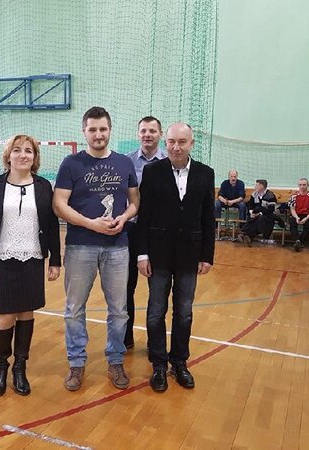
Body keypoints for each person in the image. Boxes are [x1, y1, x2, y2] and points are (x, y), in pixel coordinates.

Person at [53, 107, 139, 391]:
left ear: (110, 130)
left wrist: (123, 218)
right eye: (92, 129)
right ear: (84, 131)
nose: (98, 134)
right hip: (80, 246)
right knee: (74, 309)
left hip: (117, 247)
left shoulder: (124, 163)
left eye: (103, 129)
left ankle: (115, 360)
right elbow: (59, 205)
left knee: (120, 311)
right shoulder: (71, 164)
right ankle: (76, 363)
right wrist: (92, 224)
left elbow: (135, 202)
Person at [0, 134, 61, 396]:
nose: (23, 155)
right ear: (8, 155)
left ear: (35, 157)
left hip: (33, 258)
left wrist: (55, 260)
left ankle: (20, 368)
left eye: (28, 151)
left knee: (26, 313)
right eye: (17, 150)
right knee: (5, 315)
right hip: (2, 259)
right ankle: (1, 365)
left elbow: (51, 225)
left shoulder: (44, 186)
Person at [137, 122, 215, 392]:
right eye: (171, 141)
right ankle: (158, 364)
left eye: (182, 142)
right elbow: (144, 215)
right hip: (158, 254)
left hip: (189, 256)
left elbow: (208, 218)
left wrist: (207, 255)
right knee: (155, 311)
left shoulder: (205, 173)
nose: (176, 147)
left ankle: (179, 362)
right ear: (165, 142)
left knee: (184, 313)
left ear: (191, 143)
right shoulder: (152, 171)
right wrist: (142, 254)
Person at [125, 116, 166, 350]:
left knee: (157, 291)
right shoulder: (126, 162)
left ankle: (155, 344)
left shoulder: (169, 162)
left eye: (152, 131)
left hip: (157, 233)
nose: (147, 135)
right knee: (126, 288)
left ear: (160, 134)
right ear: (138, 134)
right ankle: (125, 338)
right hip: (130, 231)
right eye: (143, 131)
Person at [238, 179, 277, 246]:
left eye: (256, 185)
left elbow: (271, 210)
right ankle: (247, 235)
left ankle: (246, 234)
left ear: (261, 186)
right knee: (251, 217)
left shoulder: (270, 195)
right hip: (255, 213)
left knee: (259, 219)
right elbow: (250, 204)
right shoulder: (254, 194)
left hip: (267, 215)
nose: (255, 187)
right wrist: (251, 212)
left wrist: (259, 214)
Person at [288, 178, 309, 252]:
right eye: (300, 185)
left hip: (307, 215)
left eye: (304, 185)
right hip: (296, 214)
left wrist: (306, 218)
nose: (302, 187)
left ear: (308, 185)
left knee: (308, 225)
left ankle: (301, 242)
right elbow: (292, 209)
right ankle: (297, 240)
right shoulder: (293, 196)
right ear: (298, 185)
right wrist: (296, 217)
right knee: (292, 222)